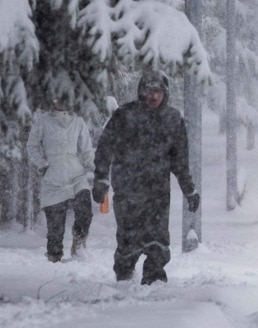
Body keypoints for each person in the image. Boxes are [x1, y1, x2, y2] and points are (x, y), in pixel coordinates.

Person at [93, 70, 200, 285]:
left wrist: (189, 189)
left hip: (157, 192)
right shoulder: (124, 115)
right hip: (127, 188)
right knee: (127, 236)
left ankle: (154, 280)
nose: (153, 96)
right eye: (149, 91)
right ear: (141, 91)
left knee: (158, 238)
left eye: (158, 91)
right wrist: (101, 178)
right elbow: (105, 148)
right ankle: (124, 277)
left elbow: (179, 160)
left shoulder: (172, 119)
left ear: (165, 93)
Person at [27, 99, 95, 262]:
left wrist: (94, 167)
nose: (61, 101)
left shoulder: (77, 120)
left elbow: (86, 149)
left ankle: (79, 241)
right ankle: (54, 258)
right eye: (57, 98)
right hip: (53, 176)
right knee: (55, 227)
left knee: (85, 208)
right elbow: (32, 146)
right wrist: (43, 164)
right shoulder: (43, 121)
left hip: (75, 172)